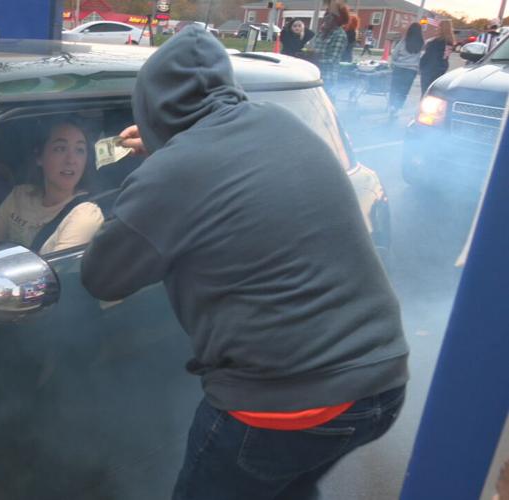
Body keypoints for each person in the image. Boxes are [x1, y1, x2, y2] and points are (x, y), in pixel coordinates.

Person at [81, 25, 408, 500]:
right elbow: (221, 172)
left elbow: (102, 277)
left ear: (150, 107)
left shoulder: (173, 173)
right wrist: (168, 151)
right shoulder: (280, 123)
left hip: (287, 400)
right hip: (381, 381)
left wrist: (156, 165)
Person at [0, 119, 103, 255]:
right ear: (39, 157)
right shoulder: (20, 195)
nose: (71, 160)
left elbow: (55, 273)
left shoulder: (85, 214)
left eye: (79, 150)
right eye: (60, 149)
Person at [311, 3, 349, 93]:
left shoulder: (339, 35)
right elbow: (312, 47)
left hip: (327, 78)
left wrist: (314, 60)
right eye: (327, 14)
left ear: (339, 19)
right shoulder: (322, 32)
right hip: (315, 74)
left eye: (331, 15)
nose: (327, 17)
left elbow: (332, 59)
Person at [389, 22, 423, 118]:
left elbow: (395, 53)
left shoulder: (403, 41)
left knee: (394, 88)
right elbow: (421, 57)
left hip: (399, 68)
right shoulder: (421, 43)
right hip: (411, 70)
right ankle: (397, 108)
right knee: (404, 91)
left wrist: (395, 61)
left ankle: (392, 106)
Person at [419, 20, 455, 96]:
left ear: (442, 28)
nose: (437, 28)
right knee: (434, 91)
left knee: (425, 92)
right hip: (441, 67)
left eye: (439, 26)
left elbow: (428, 55)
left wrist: (421, 65)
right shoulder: (450, 41)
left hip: (430, 68)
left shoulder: (436, 42)